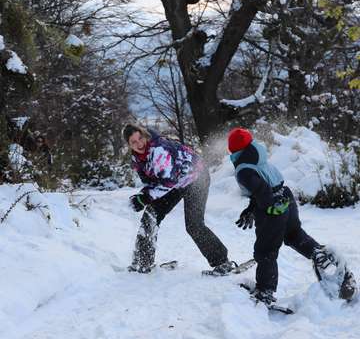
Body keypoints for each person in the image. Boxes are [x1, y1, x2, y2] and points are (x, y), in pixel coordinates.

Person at [227, 127, 356, 304]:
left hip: (273, 207)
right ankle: (320, 254)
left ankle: (265, 291)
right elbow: (265, 185)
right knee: (293, 234)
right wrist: (251, 209)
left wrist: (266, 209)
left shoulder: (243, 169)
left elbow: (262, 190)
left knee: (265, 250)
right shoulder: (257, 157)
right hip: (285, 196)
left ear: (233, 151)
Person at [123, 123, 235, 274]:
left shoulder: (159, 150)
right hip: (176, 183)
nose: (139, 144)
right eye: (134, 142)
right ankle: (143, 263)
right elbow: (152, 182)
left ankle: (223, 262)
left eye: (140, 138)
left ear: (144, 135)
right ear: (129, 145)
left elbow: (168, 181)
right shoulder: (137, 158)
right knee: (150, 216)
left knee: (194, 225)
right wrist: (143, 195)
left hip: (196, 179)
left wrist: (145, 198)